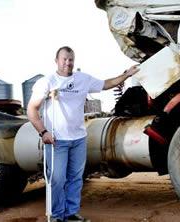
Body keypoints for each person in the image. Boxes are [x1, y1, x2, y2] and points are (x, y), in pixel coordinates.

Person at [27, 46, 139, 222]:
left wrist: (126, 75)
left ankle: (70, 213)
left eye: (70, 59)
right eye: (64, 59)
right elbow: (32, 109)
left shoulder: (83, 79)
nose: (68, 62)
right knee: (57, 179)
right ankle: (56, 215)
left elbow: (106, 84)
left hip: (78, 138)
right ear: (56, 61)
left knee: (75, 178)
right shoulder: (47, 82)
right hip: (57, 140)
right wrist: (43, 132)